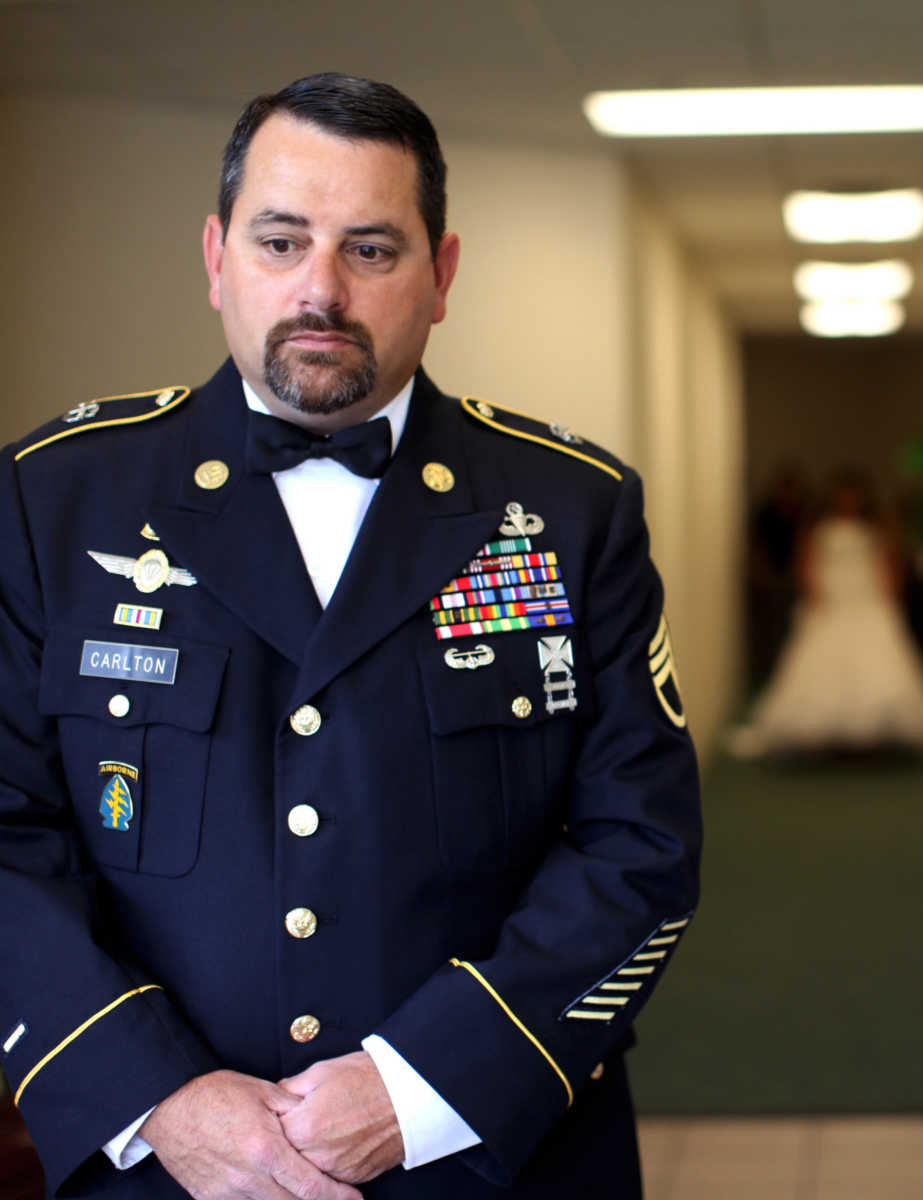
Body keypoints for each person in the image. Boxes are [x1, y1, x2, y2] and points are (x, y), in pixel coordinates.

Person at [0, 73, 700, 1200]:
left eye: (371, 249)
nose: (320, 289)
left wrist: (422, 1087)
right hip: (166, 1173)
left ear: (441, 276)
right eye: (282, 241)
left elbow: (640, 848)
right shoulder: (54, 500)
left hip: (492, 1156)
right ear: (217, 256)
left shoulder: (570, 511)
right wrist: (157, 1097)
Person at [728, 470, 923, 759]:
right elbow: (807, 562)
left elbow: (886, 562)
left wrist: (889, 594)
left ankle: (875, 726)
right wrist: (814, 591)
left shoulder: (873, 528)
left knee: (876, 655)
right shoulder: (820, 527)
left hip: (865, 596)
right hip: (834, 596)